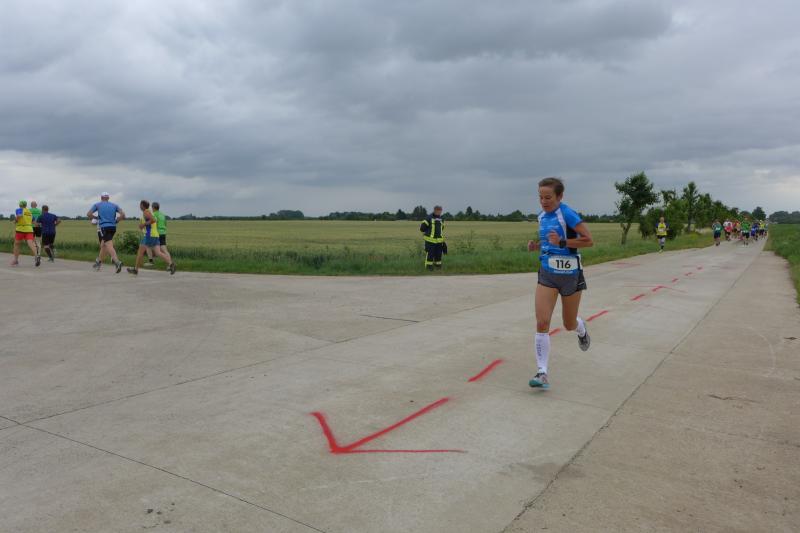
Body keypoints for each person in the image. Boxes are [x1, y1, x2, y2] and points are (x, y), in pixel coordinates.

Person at [527, 177, 594, 389]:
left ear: (560, 196)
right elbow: (549, 244)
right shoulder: (541, 217)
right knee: (542, 322)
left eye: (548, 197)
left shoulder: (567, 214)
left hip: (570, 275)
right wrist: (536, 247)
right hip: (547, 274)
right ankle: (542, 373)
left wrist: (563, 241)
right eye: (540, 197)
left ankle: (581, 329)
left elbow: (589, 240)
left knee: (568, 323)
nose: (543, 201)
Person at [127, 200, 176, 276]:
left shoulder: (146, 211)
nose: (139, 206)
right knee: (158, 253)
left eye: (140, 205)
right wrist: (143, 226)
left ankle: (135, 270)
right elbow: (152, 221)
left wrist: (143, 224)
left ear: (142, 205)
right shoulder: (149, 212)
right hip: (155, 235)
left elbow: (153, 220)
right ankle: (171, 264)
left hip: (149, 235)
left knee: (140, 252)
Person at [87, 192, 125, 272]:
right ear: (108, 198)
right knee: (103, 245)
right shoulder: (114, 205)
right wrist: (117, 220)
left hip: (104, 227)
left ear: (101, 198)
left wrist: (96, 217)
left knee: (109, 245)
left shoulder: (97, 205)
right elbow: (123, 215)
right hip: (113, 227)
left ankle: (117, 262)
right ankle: (98, 262)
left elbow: (89, 214)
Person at [10, 200, 41, 267]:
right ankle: (37, 256)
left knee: (17, 244)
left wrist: (15, 221)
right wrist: (37, 224)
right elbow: (33, 221)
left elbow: (19, 216)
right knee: (31, 243)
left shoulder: (19, 210)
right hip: (29, 229)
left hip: (20, 229)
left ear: (20, 205)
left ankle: (15, 260)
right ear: (26, 205)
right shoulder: (29, 212)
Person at [420, 206, 446, 271]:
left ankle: (438, 266)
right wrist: (428, 232)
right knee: (430, 254)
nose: (439, 212)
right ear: (434, 210)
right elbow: (422, 228)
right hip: (430, 240)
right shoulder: (428, 218)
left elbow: (442, 228)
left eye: (440, 211)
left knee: (438, 254)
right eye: (438, 210)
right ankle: (429, 267)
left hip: (439, 241)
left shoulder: (442, 219)